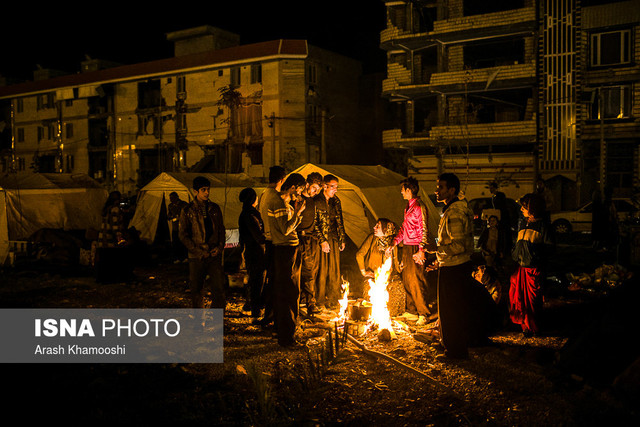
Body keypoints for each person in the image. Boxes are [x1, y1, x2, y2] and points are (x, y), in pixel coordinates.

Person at [424, 173, 477, 358]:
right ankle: (451, 345)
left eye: (441, 187)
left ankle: (455, 351)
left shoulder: (454, 212)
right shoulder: (455, 209)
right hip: (454, 265)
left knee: (450, 310)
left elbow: (458, 245)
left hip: (455, 268)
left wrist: (435, 249)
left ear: (452, 190)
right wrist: (439, 260)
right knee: (452, 308)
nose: (436, 191)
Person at [266, 173, 307, 347]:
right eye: (300, 190)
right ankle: (287, 336)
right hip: (286, 251)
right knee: (289, 292)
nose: (301, 194)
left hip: (285, 249)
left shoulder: (281, 202)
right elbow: (285, 229)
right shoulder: (279, 203)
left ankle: (284, 331)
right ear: (293, 187)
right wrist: (298, 213)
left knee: (286, 290)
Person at [386, 177, 434, 326]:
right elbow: (404, 228)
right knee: (407, 279)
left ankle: (423, 313)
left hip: (415, 247)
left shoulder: (419, 207)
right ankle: (412, 310)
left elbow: (424, 229)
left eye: (403, 189)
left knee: (416, 280)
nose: (401, 192)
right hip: (407, 246)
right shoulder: (408, 207)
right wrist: (394, 242)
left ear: (409, 190)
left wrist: (421, 250)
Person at [179, 176, 226, 311]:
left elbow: (221, 229)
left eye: (208, 189)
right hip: (197, 257)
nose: (207, 192)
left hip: (213, 254)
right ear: (195, 191)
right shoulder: (188, 211)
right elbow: (183, 235)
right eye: (203, 190)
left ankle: (217, 320)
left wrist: (219, 247)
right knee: (197, 290)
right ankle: (199, 321)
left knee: (219, 288)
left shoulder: (214, 208)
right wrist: (199, 251)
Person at [509, 193, 553, 337]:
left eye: (524, 207)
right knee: (519, 298)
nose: (522, 209)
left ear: (533, 208)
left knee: (532, 301)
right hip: (521, 268)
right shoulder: (523, 223)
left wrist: (536, 257)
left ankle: (534, 327)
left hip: (534, 270)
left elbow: (549, 249)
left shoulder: (543, 226)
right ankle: (525, 327)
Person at [256, 165, 287, 327]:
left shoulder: (263, 195)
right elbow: (284, 227)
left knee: (270, 280)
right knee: (276, 281)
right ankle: (273, 316)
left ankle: (268, 314)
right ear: (282, 180)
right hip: (276, 243)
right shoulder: (276, 198)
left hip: (267, 241)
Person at [313, 174, 346, 310]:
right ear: (325, 186)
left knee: (334, 269)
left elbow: (339, 221)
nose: (335, 190)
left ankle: (333, 299)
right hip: (320, 240)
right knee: (322, 270)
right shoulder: (316, 201)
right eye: (333, 187)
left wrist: (342, 238)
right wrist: (322, 240)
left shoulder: (335, 201)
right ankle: (319, 300)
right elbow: (314, 223)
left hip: (333, 238)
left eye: (337, 187)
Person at [297, 172, 324, 315]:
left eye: (318, 190)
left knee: (309, 272)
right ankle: (296, 303)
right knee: (295, 273)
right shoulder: (297, 199)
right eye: (314, 188)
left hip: (309, 241)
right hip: (296, 240)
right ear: (307, 185)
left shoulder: (314, 202)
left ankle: (310, 304)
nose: (315, 192)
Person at [238, 187, 266, 321]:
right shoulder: (250, 214)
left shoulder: (247, 213)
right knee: (257, 280)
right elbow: (258, 235)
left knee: (253, 279)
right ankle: (255, 309)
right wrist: (266, 237)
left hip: (252, 250)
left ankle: (250, 305)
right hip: (255, 251)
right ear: (253, 199)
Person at [95, 191, 132, 283]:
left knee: (104, 261)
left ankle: (102, 279)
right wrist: (120, 237)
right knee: (113, 260)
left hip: (102, 239)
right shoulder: (115, 209)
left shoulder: (106, 209)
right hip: (110, 239)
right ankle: (113, 278)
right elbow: (115, 225)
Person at [357, 218, 400, 296]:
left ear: (385, 229)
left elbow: (397, 261)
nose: (374, 227)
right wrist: (364, 272)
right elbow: (359, 254)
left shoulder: (394, 242)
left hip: (388, 277)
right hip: (373, 275)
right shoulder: (372, 238)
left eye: (378, 226)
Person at [167, 191, 188, 262]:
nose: (171, 200)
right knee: (176, 243)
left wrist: (181, 217)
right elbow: (169, 215)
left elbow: (188, 213)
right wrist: (171, 217)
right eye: (170, 198)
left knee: (183, 242)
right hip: (175, 227)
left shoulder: (183, 204)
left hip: (183, 227)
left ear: (177, 197)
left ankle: (185, 257)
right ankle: (177, 258)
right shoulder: (170, 206)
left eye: (172, 198)